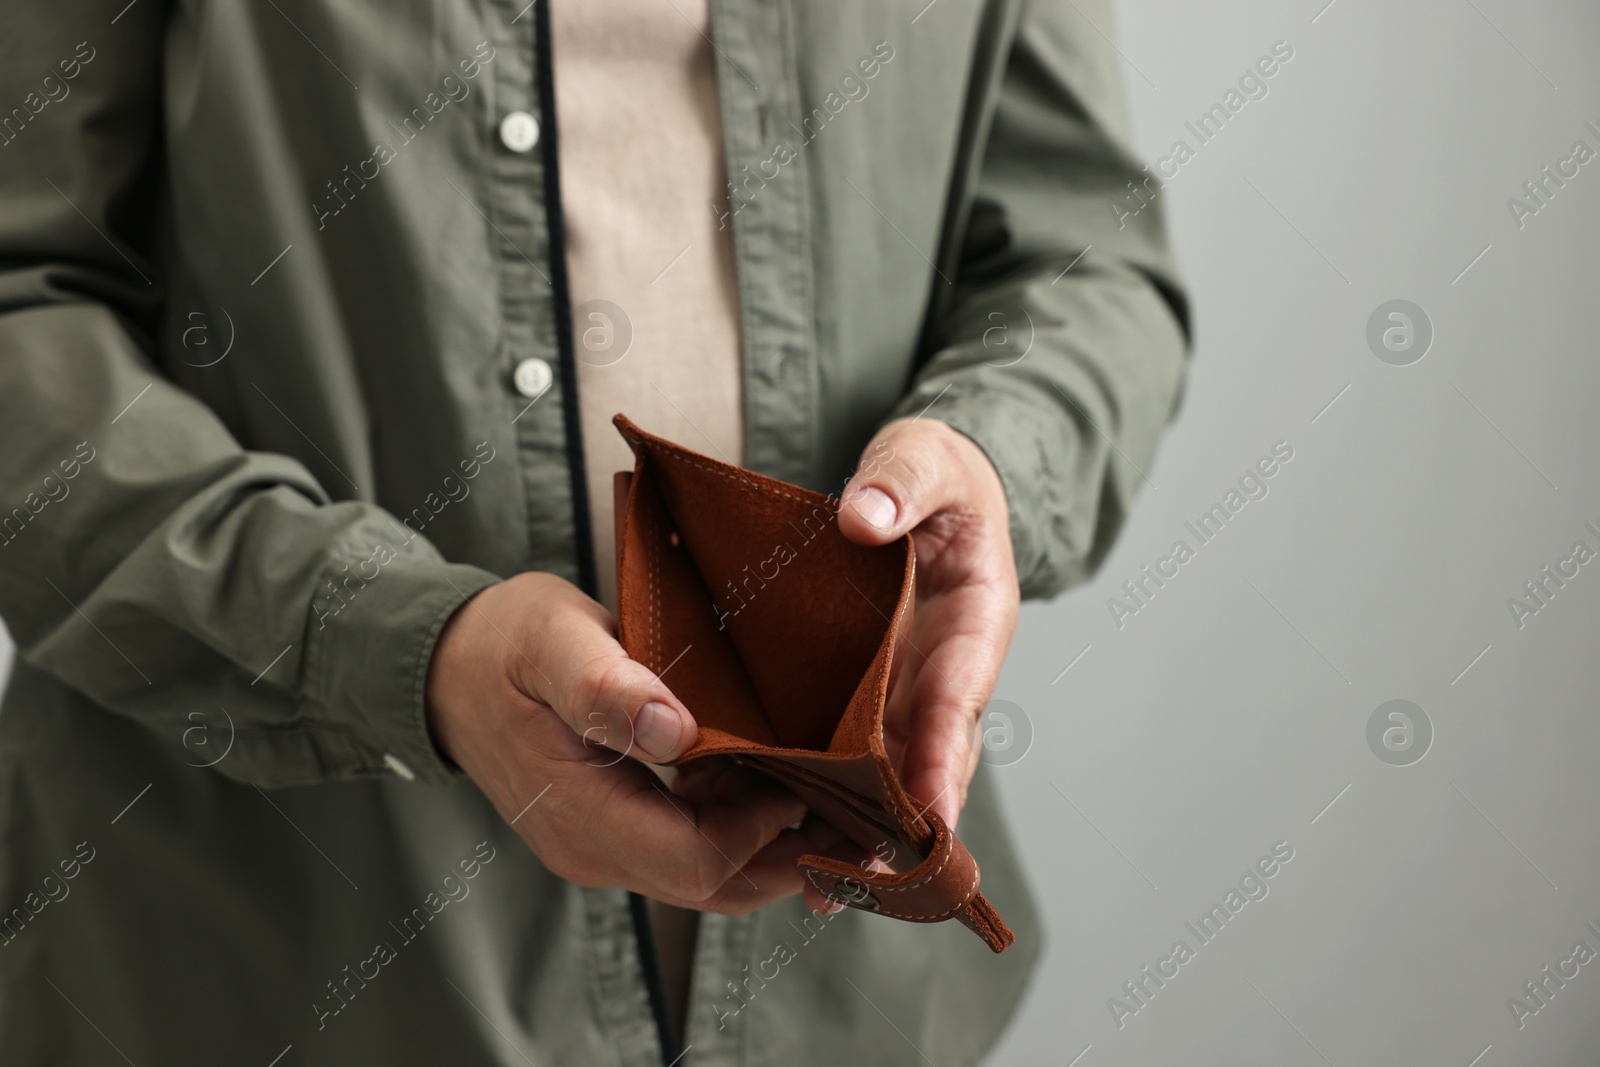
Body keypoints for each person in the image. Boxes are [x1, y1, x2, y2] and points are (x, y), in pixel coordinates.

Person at [0, 0, 1187, 1063]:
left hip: (847, 997)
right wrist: (404, 648)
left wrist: (991, 459)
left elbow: (1088, 260)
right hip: (274, 968)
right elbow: (23, 299)